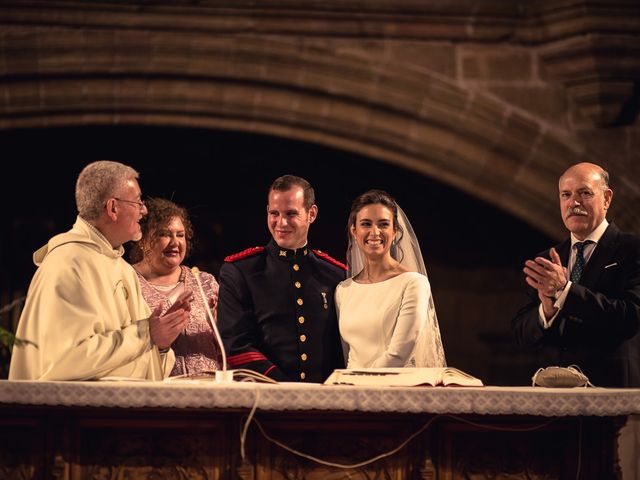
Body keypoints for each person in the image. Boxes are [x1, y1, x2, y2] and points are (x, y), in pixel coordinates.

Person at [9, 161, 191, 381]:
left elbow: (141, 356)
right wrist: (146, 334)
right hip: (75, 414)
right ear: (113, 208)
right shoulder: (69, 264)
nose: (144, 210)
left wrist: (160, 343)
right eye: (137, 202)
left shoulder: (121, 268)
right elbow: (67, 360)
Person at [511, 162, 640, 387]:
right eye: (566, 195)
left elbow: (631, 316)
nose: (574, 202)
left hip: (613, 392)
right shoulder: (548, 259)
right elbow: (521, 333)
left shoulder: (632, 250)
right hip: (555, 397)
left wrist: (565, 291)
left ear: (607, 198)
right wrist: (547, 311)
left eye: (585, 193)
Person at [217, 175, 346, 382]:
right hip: (266, 395)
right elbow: (236, 346)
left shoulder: (336, 274)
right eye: (274, 213)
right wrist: (284, 387)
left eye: (291, 213)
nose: (281, 222)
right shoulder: (240, 271)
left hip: (326, 397)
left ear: (311, 214)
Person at [335, 189, 446, 368]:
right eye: (366, 224)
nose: (374, 232)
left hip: (393, 390)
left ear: (395, 231)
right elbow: (350, 354)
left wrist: (359, 384)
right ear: (354, 231)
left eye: (383, 224)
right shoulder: (344, 289)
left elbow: (398, 354)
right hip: (351, 391)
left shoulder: (413, 284)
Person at [130, 197, 222, 376]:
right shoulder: (127, 281)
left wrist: (221, 328)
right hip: (158, 395)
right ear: (142, 238)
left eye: (180, 234)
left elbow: (229, 348)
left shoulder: (205, 283)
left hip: (209, 394)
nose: (175, 242)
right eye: (164, 234)